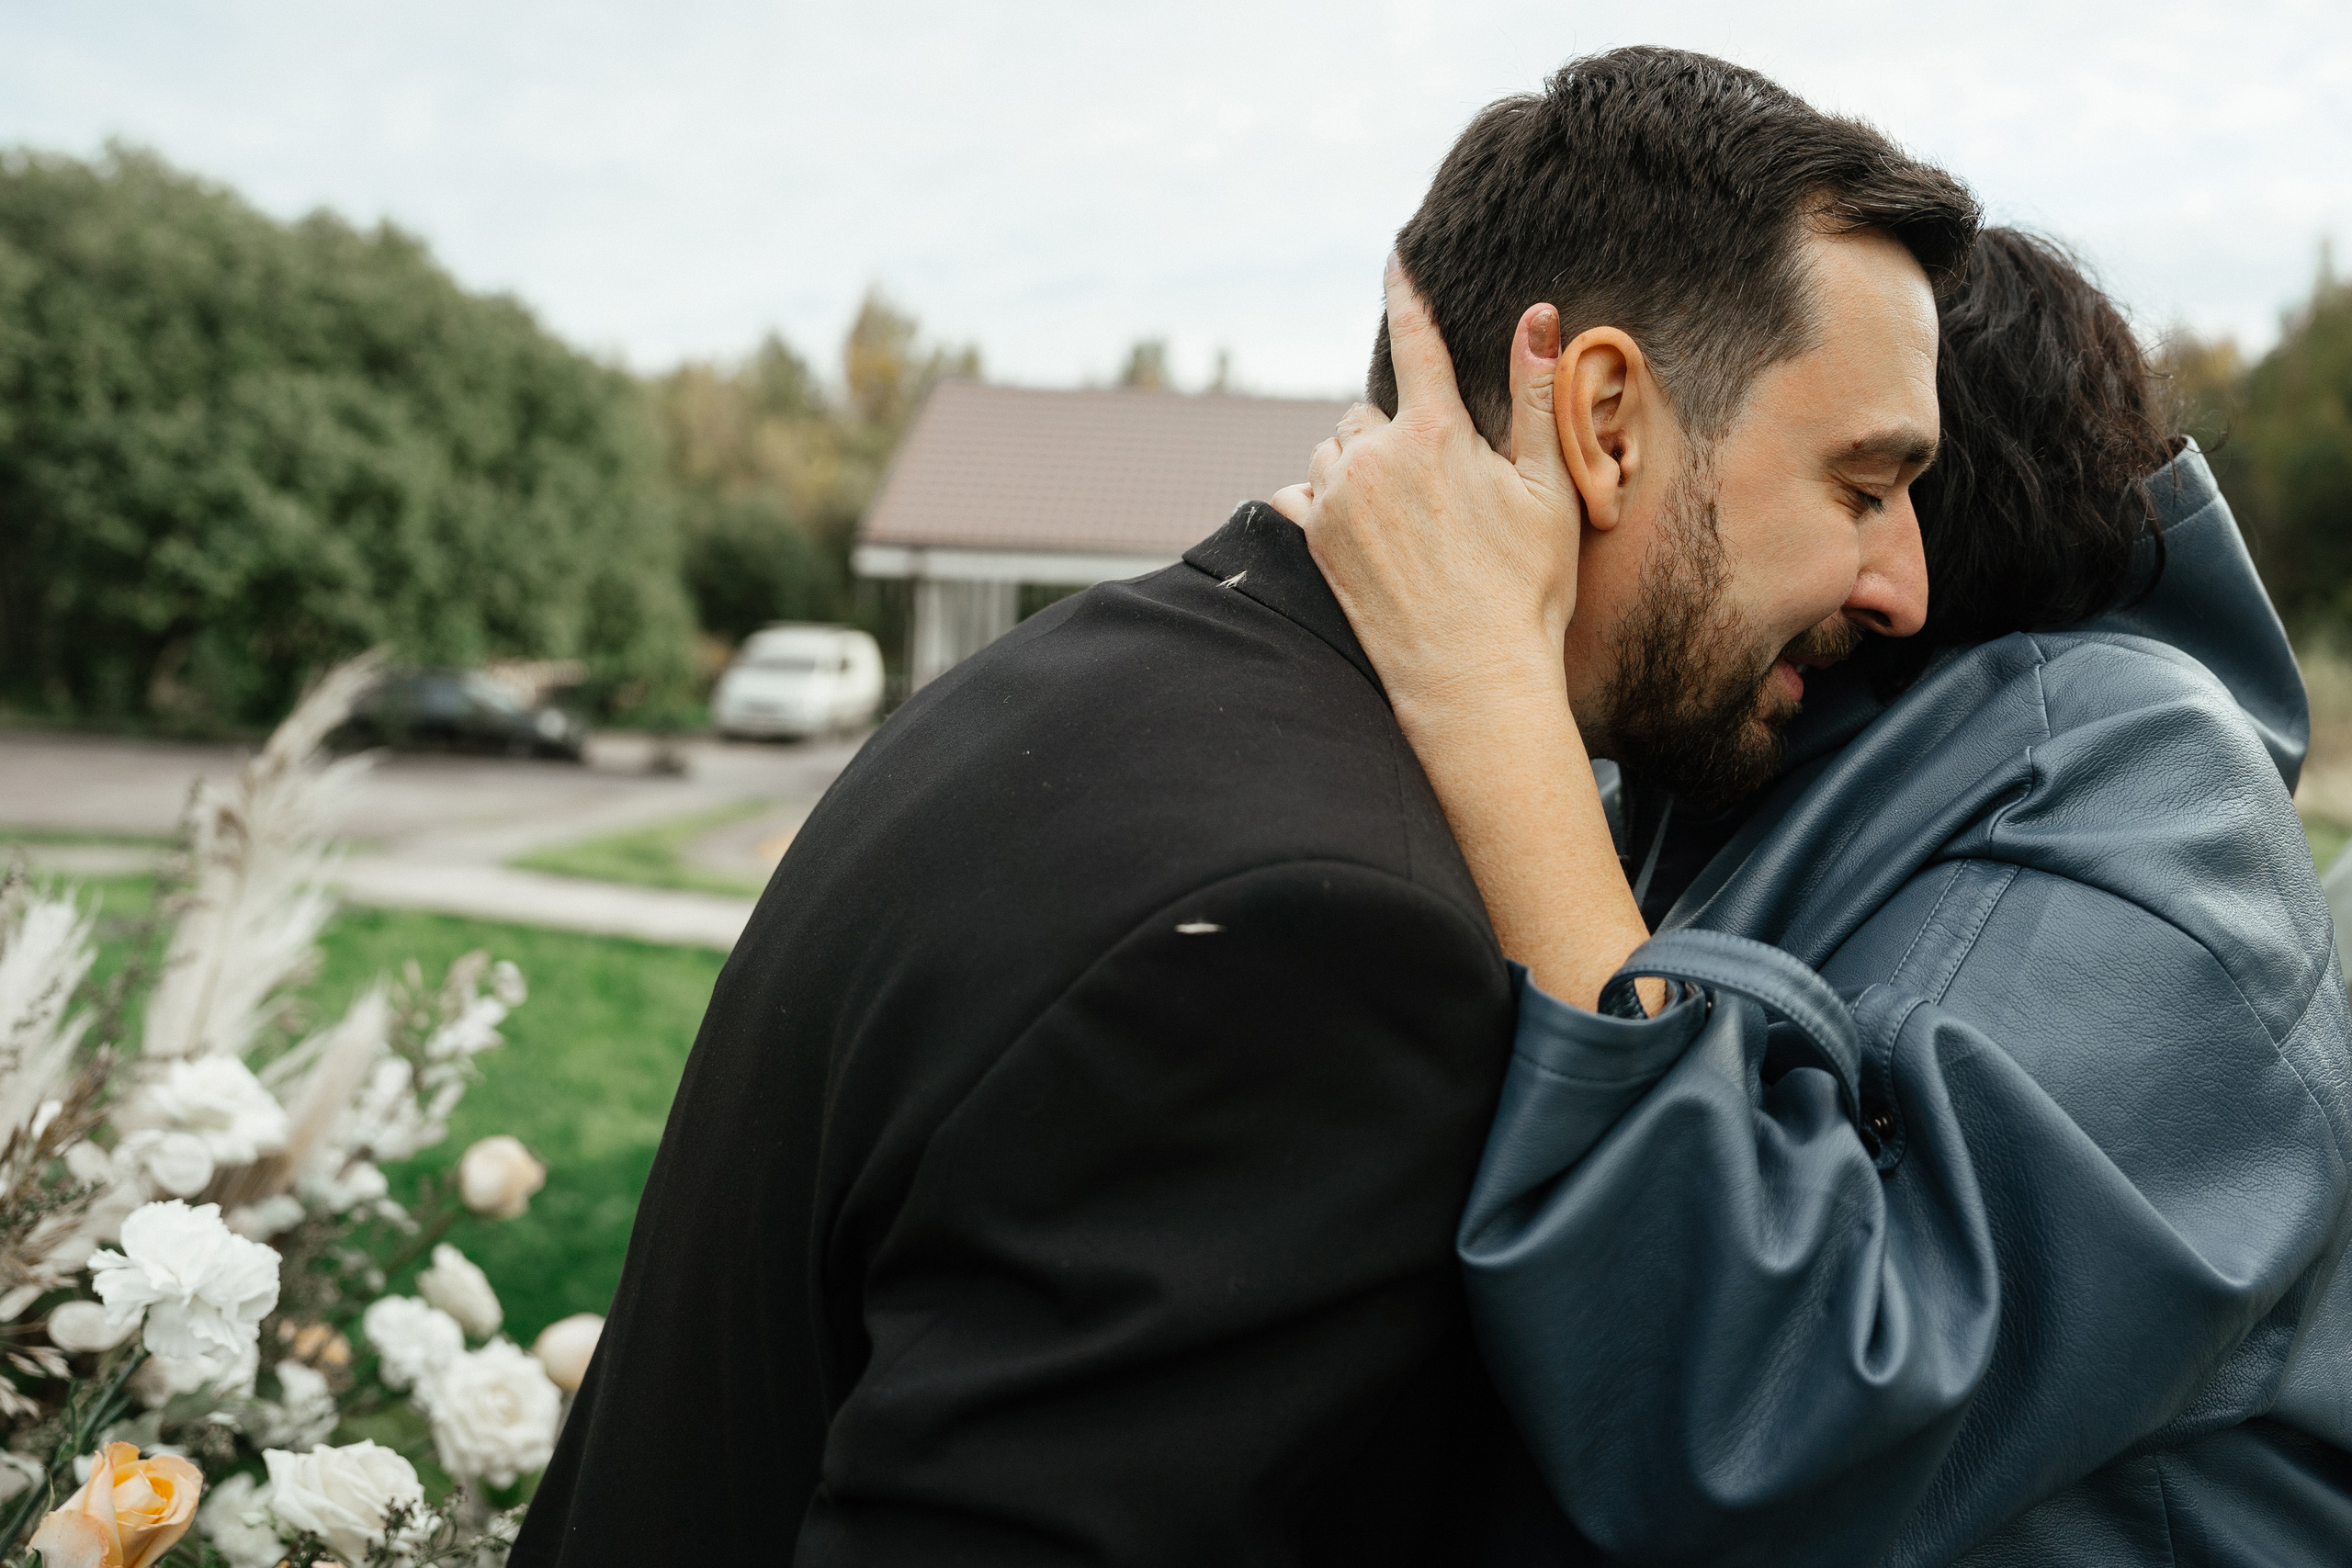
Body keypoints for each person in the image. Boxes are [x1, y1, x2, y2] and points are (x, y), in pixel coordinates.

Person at [509, 50, 1975, 1567]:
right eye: (1865, 486)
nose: (1905, 587)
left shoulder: (1073, 681)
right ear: (1605, 423)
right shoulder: (1316, 939)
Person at [1283, 223, 2352, 1562]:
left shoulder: (2147, 788)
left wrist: (1486, 697)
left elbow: (1762, 1406)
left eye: (1877, 483)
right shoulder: (1701, 782)